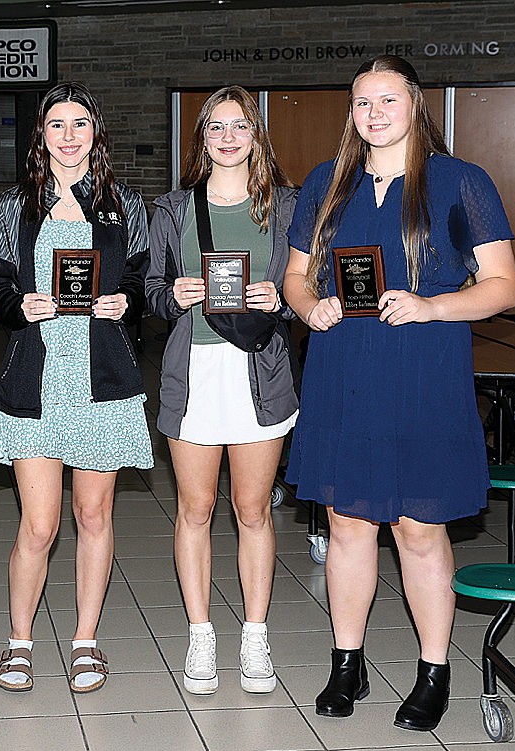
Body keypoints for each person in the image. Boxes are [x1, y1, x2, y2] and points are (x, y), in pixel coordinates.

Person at [282, 55, 515, 730]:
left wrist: (431, 306)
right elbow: (297, 277)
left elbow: (504, 285)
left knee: (419, 528)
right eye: (362, 103)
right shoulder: (328, 183)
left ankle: (433, 669)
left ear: (415, 105)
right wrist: (310, 308)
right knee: (348, 523)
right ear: (351, 113)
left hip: (424, 374)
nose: (375, 113)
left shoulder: (459, 181)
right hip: (342, 371)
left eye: (388, 99)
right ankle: (347, 664)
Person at [0, 82, 152, 694]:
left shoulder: (124, 204)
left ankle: (85, 641)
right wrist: (17, 306)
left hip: (101, 379)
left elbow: (140, 279)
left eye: (82, 123)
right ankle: (19, 641)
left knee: (94, 514)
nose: (71, 135)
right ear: (41, 135)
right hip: (37, 379)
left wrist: (123, 301)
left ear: (95, 132)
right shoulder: (14, 206)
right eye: (58, 124)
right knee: (39, 524)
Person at [146, 85, 299, 696]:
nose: (228, 137)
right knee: (195, 509)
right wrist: (173, 296)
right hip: (195, 376)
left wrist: (281, 300)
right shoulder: (174, 209)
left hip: (260, 376)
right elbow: (151, 291)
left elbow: (307, 288)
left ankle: (255, 637)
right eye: (216, 127)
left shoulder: (286, 208)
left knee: (253, 511)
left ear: (255, 134)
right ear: (201, 137)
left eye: (240, 126)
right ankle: (201, 633)